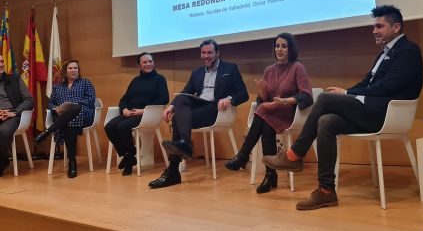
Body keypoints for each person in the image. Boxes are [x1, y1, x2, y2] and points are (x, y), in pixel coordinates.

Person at [263, 5, 423, 210]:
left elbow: (390, 85)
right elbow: (367, 82)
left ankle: (294, 155)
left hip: (386, 114)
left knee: (323, 99)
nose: (374, 31)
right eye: (374, 26)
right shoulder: (384, 53)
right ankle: (326, 191)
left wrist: (348, 94)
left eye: (379, 26)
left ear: (396, 27)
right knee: (326, 122)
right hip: (371, 110)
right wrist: (347, 90)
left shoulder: (408, 50)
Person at [149, 38, 249, 189]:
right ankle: (184, 147)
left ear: (217, 53)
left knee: (177, 120)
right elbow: (185, 92)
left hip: (217, 110)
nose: (206, 56)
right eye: (203, 53)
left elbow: (243, 94)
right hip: (200, 106)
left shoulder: (230, 69)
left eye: (209, 52)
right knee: (180, 102)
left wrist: (229, 99)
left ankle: (173, 172)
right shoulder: (197, 73)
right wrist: (171, 107)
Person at [224, 33, 313, 193]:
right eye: (277, 46)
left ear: (291, 49)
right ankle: (269, 175)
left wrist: (286, 101)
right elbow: (264, 100)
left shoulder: (297, 67)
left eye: (284, 46)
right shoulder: (269, 70)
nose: (279, 49)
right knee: (265, 119)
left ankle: (244, 156)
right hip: (271, 113)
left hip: (290, 114)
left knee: (264, 112)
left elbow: (306, 95)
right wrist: (263, 92)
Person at [104, 52, 169, 175]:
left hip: (148, 115)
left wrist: (144, 110)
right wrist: (124, 110)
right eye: (145, 62)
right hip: (131, 113)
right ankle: (129, 155)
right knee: (109, 126)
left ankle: (128, 158)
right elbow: (124, 99)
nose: (148, 64)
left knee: (122, 126)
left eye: (150, 61)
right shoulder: (135, 80)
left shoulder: (159, 79)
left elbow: (164, 99)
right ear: (139, 66)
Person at [34, 60, 96, 178]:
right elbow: (51, 103)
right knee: (68, 121)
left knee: (75, 109)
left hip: (83, 113)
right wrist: (57, 109)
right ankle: (72, 162)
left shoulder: (86, 82)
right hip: (63, 117)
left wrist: (74, 104)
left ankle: (47, 132)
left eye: (75, 68)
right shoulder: (57, 87)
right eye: (70, 68)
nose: (73, 70)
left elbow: (90, 100)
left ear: (78, 71)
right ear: (65, 71)